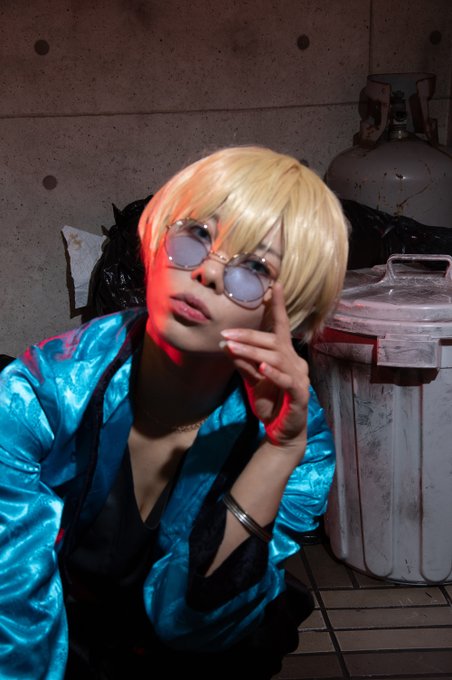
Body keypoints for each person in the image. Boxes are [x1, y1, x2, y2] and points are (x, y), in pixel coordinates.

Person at [0, 146, 349, 680]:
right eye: (196, 236)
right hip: (60, 637)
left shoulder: (302, 445)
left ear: (288, 311)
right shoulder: (39, 396)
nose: (207, 272)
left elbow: (194, 624)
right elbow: (16, 618)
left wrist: (277, 454)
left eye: (253, 269)